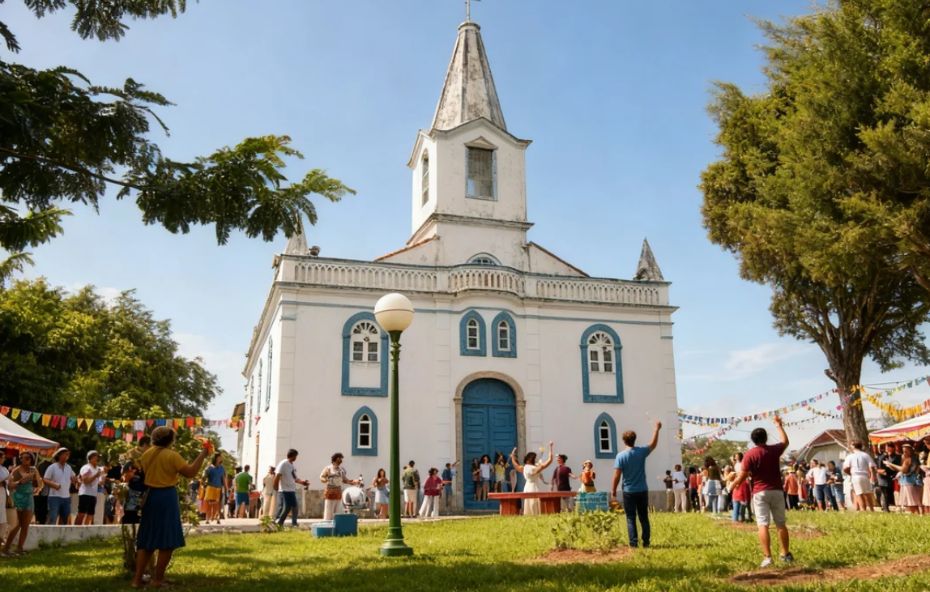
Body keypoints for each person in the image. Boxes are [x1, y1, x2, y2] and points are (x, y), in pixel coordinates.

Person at [130, 427, 209, 588]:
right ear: (170, 440)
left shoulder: (147, 454)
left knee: (147, 539)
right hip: (166, 497)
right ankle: (158, 579)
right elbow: (190, 472)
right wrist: (203, 454)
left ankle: (136, 580)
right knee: (167, 540)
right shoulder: (172, 455)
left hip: (150, 497)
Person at [729, 416, 792, 568]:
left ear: (753, 440)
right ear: (766, 438)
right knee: (781, 524)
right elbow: (785, 442)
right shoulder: (774, 450)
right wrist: (778, 425)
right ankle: (785, 554)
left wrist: (734, 484)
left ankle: (767, 557)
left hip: (759, 492)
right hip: (776, 490)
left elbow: (743, 475)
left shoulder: (749, 454)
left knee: (763, 525)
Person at [611, 420, 661, 548]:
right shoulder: (641, 451)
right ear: (634, 439)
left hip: (628, 491)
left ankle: (633, 543)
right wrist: (656, 429)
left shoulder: (620, 456)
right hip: (642, 490)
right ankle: (646, 542)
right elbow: (653, 445)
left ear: (624, 441)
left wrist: (613, 491)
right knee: (644, 517)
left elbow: (617, 476)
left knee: (630, 518)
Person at [3, 452, 43, 556]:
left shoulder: (33, 470)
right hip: (18, 498)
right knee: (17, 524)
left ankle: (19, 548)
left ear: (31, 459)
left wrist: (36, 486)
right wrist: (21, 481)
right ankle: (6, 548)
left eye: (27, 458)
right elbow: (10, 486)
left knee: (25, 525)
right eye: (22, 458)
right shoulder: (16, 470)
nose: (24, 459)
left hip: (29, 498)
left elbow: (40, 484)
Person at [510, 442, 554, 516]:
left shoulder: (524, 467)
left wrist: (512, 456)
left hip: (527, 487)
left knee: (529, 504)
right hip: (534, 487)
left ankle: (529, 516)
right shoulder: (535, 468)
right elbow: (549, 460)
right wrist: (550, 447)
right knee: (534, 505)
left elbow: (516, 465)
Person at [274, 449, 309, 528]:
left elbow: (295, 478)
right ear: (292, 455)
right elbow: (277, 475)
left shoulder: (292, 465)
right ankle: (279, 522)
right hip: (284, 490)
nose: (296, 458)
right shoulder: (283, 463)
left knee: (294, 507)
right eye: (295, 456)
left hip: (291, 490)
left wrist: (303, 482)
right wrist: (275, 486)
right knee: (287, 507)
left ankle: (294, 523)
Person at [883, 443, 921, 514]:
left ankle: (917, 514)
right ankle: (915, 514)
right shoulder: (909, 458)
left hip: (909, 482)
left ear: (910, 451)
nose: (904, 453)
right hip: (906, 482)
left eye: (906, 451)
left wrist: (890, 464)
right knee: (910, 502)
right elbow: (900, 469)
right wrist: (890, 465)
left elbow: (903, 470)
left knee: (911, 501)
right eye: (903, 451)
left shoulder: (909, 459)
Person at [320, 453, 358, 521]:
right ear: (335, 458)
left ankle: (336, 524)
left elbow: (345, 480)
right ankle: (327, 524)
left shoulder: (341, 470)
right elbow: (321, 477)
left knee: (337, 512)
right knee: (328, 512)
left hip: (338, 493)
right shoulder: (328, 468)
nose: (341, 460)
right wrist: (326, 480)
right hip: (330, 493)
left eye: (341, 458)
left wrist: (352, 482)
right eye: (339, 458)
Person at [44, 447, 76, 525]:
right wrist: (54, 485)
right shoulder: (52, 467)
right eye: (65, 454)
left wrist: (75, 479)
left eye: (67, 455)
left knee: (65, 519)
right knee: (52, 518)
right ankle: (50, 532)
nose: (67, 456)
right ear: (59, 455)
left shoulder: (69, 467)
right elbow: (45, 479)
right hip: (54, 497)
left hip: (66, 497)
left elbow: (73, 477)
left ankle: (61, 533)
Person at [843, 441, 878, 511]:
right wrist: (873, 476)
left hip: (855, 476)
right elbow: (872, 466)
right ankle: (872, 509)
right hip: (865, 476)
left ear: (853, 446)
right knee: (868, 493)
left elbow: (845, 468)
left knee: (859, 494)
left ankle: (863, 509)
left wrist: (850, 473)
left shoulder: (850, 456)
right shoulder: (865, 455)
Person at [75, 450, 107, 525]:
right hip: (85, 494)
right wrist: (96, 475)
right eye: (96, 457)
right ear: (91, 458)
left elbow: (100, 483)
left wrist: (103, 478)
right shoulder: (87, 468)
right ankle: (75, 529)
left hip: (93, 494)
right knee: (81, 513)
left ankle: (85, 529)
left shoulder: (97, 469)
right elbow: (85, 481)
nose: (98, 459)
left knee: (90, 514)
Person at [875, 443, 900, 513]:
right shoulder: (882, 456)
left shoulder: (897, 457)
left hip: (892, 477)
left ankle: (886, 507)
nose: (887, 448)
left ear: (893, 448)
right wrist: (879, 471)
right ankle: (885, 508)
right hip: (883, 477)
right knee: (884, 492)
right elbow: (878, 467)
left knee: (889, 493)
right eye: (886, 447)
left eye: (889, 447)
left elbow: (897, 466)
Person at [203, 453, 225, 524]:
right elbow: (204, 477)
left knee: (217, 504)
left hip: (218, 488)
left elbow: (223, 478)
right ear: (215, 458)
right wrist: (204, 481)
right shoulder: (210, 467)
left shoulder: (222, 468)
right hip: (210, 487)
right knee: (209, 504)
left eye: (221, 457)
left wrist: (226, 488)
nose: (221, 458)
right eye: (219, 457)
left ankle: (217, 518)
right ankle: (207, 519)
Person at [0, 451, 8, 542]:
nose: (4, 459)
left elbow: (8, 481)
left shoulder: (4, 469)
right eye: (3, 457)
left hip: (2, 492)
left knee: (2, 515)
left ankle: (1, 538)